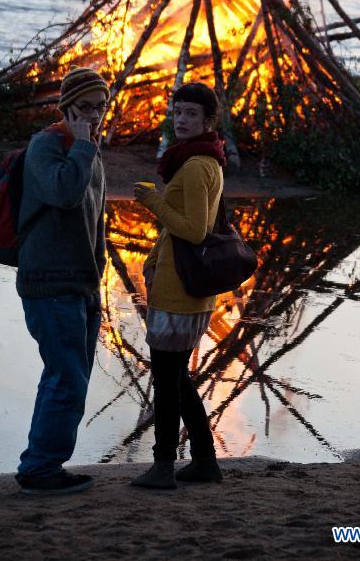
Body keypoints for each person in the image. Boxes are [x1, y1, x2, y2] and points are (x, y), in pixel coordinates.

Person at [14, 66, 110, 496]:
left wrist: (98, 279)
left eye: (100, 107)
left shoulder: (90, 151)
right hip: (49, 283)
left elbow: (96, 222)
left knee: (69, 377)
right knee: (66, 378)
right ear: (66, 108)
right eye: (85, 108)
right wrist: (83, 148)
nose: (93, 116)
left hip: (81, 285)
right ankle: (40, 469)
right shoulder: (47, 146)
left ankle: (41, 462)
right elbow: (65, 194)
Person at [131, 82, 225, 489]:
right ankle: (204, 461)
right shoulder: (198, 160)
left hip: (180, 294)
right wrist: (152, 262)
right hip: (180, 288)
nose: (182, 120)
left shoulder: (197, 165)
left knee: (167, 385)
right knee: (177, 378)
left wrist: (152, 201)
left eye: (191, 114)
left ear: (208, 121)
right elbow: (174, 233)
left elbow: (196, 230)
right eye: (178, 112)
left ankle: (163, 466)